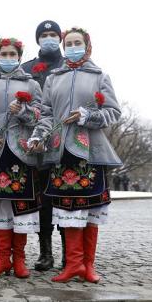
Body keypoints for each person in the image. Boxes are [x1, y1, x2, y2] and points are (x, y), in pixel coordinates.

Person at [28, 27, 122, 284]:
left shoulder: (99, 76)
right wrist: (38, 136)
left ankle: (87, 266)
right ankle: (72, 265)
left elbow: (113, 112)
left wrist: (87, 116)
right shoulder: (53, 78)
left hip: (90, 153)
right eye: (68, 43)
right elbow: (46, 114)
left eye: (77, 42)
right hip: (60, 153)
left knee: (89, 210)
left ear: (87, 45)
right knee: (67, 210)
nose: (72, 47)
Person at [0, 37, 43, 278]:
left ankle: (19, 260)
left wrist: (23, 111)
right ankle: (2, 259)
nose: (8, 58)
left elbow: (40, 116)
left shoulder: (31, 84)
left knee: (20, 205)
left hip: (20, 152)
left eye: (12, 54)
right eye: (3, 54)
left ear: (19, 57)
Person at [21, 19, 64, 271]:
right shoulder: (26, 69)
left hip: (65, 143)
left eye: (53, 35)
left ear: (60, 38)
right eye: (44, 35)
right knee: (43, 201)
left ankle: (70, 253)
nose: (49, 39)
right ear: (38, 39)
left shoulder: (69, 66)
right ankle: (45, 252)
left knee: (67, 198)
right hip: (36, 145)